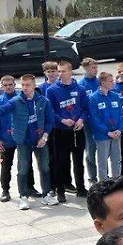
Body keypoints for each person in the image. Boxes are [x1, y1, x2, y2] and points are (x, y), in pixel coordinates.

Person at [11, 74, 58, 210]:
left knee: (44, 167)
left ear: (34, 86)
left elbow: (50, 120)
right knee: (23, 169)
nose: (25, 88)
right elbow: (4, 109)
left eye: (27, 85)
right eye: (23, 85)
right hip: (24, 142)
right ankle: (23, 196)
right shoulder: (17, 101)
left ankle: (46, 195)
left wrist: (44, 137)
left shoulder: (43, 101)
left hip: (40, 141)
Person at [47, 60, 89, 202]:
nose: (60, 74)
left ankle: (81, 187)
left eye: (63, 71)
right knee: (61, 160)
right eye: (58, 71)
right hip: (60, 130)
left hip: (77, 130)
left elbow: (85, 108)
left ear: (70, 72)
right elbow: (50, 111)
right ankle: (60, 190)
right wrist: (62, 120)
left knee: (78, 160)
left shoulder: (80, 89)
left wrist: (81, 120)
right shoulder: (52, 90)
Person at [0, 73, 24, 202]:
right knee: (6, 166)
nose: (8, 87)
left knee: (25, 165)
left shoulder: (21, 98)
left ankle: (28, 188)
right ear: (2, 87)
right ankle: (5, 190)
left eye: (10, 85)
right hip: (5, 140)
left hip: (21, 138)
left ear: (15, 85)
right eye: (5, 85)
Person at [87, 71, 123, 180]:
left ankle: (116, 182)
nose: (113, 83)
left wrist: (119, 129)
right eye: (111, 81)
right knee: (103, 161)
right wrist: (107, 132)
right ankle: (104, 183)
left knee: (116, 159)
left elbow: (121, 115)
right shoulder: (93, 98)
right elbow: (94, 119)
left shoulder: (115, 96)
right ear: (103, 83)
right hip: (102, 135)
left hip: (116, 133)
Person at [79, 58, 101, 184]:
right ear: (86, 69)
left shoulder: (99, 82)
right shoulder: (81, 84)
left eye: (96, 67)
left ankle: (104, 175)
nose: (95, 70)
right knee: (91, 149)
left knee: (103, 151)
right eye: (93, 68)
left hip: (101, 121)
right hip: (88, 123)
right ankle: (92, 177)